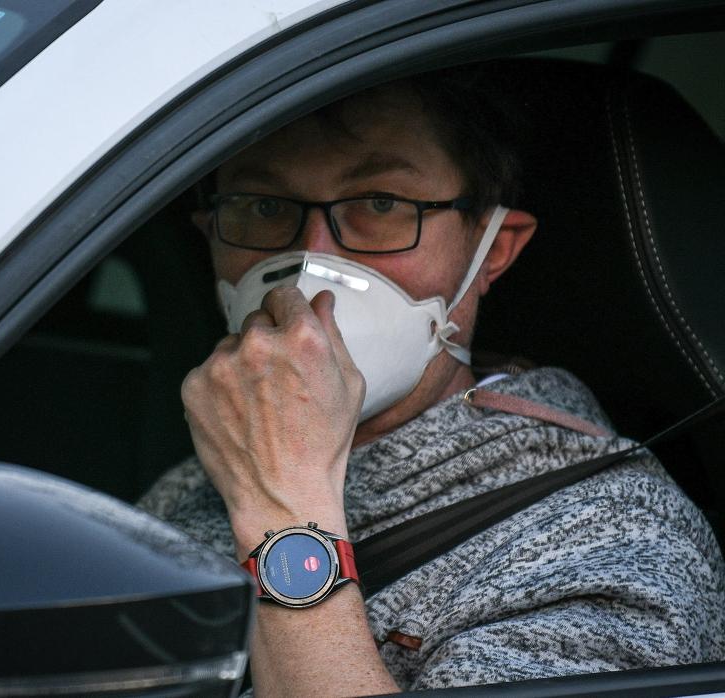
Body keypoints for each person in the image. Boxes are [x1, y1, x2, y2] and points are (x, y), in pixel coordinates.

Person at [137, 68, 725, 696]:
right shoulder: (201, 478)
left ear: (494, 248)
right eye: (264, 207)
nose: (310, 266)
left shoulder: (619, 540)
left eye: (381, 205)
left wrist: (285, 507)